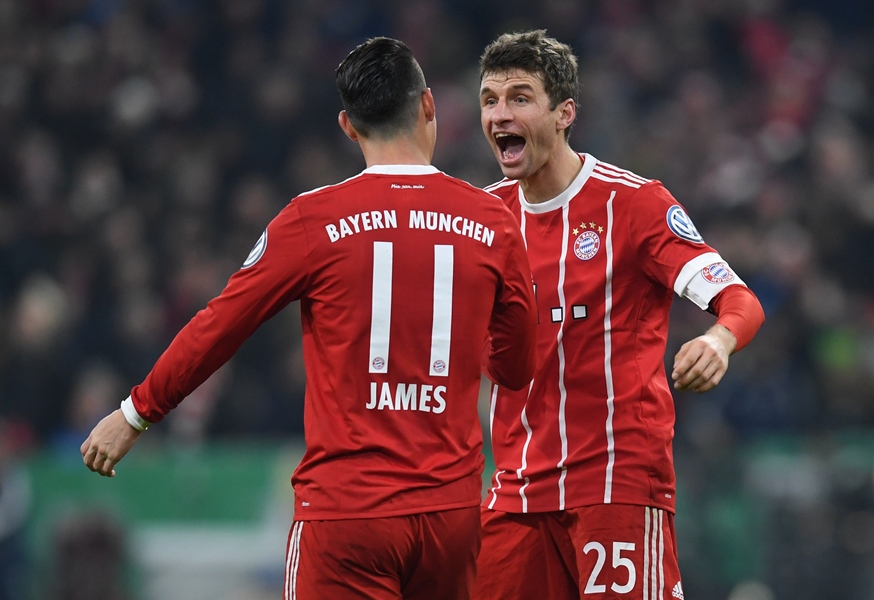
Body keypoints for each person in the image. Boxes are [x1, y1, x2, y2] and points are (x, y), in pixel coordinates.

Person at [81, 36, 538, 600]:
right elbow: (518, 367)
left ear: (348, 127)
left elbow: (221, 324)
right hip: (451, 517)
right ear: (428, 106)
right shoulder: (494, 220)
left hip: (345, 515)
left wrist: (135, 414)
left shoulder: (313, 221)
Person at [473, 30, 765, 600]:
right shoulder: (483, 220)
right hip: (517, 492)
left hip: (617, 482)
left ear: (564, 114)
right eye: (489, 100)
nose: (500, 114)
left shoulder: (633, 204)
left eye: (520, 98)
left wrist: (719, 342)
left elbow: (740, 301)